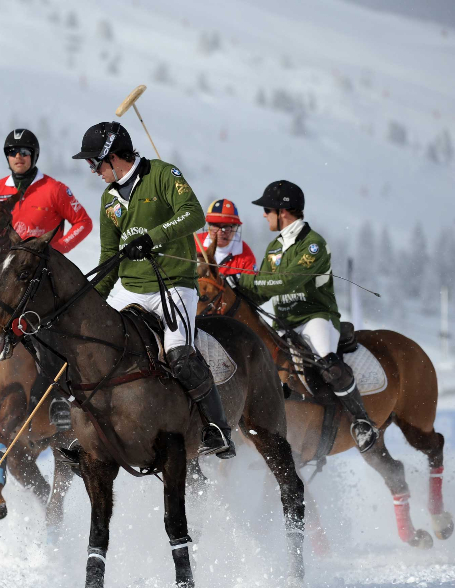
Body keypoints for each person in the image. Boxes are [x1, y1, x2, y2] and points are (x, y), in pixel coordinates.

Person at [74, 121, 235, 458]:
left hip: (174, 286)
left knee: (179, 357)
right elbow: (109, 256)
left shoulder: (162, 174)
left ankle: (217, 428)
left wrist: (152, 237)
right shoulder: (108, 199)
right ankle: (89, 433)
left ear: (112, 156)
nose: (92, 170)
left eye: (94, 162)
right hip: (130, 289)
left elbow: (193, 214)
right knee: (93, 347)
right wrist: (87, 301)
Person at [239, 180, 377, 451]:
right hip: (284, 322)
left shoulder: (313, 245)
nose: (264, 215)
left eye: (267, 209)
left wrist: (247, 280)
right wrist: (232, 286)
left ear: (283, 212)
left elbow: (286, 282)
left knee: (328, 363)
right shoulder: (275, 247)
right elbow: (261, 290)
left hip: (315, 318)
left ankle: (362, 422)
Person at [0, 128, 93, 254]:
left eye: (24, 152)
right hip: (5, 262)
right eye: (12, 152)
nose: (18, 156)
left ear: (34, 155)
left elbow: (83, 222)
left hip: (43, 264)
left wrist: (58, 249)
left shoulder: (55, 189)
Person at [194, 199, 257, 281]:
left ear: (235, 228)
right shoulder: (194, 243)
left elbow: (251, 286)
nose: (220, 232)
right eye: (215, 226)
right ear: (209, 226)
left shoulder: (246, 256)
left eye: (226, 227)